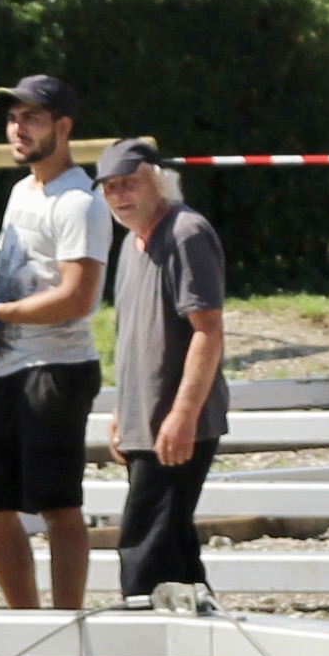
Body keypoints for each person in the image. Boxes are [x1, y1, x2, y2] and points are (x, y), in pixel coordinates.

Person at [0, 73, 115, 650]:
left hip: (56, 371)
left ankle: (66, 640)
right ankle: (29, 638)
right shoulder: (22, 192)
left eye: (32, 118)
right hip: (6, 368)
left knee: (58, 506)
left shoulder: (79, 201)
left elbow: (77, 297)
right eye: (13, 117)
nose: (18, 128)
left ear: (63, 127)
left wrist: (1, 312)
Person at [93, 139, 232, 614]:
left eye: (128, 183)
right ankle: (203, 643)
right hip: (144, 420)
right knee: (173, 544)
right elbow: (134, 337)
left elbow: (208, 330)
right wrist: (123, 411)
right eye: (110, 187)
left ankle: (147, 639)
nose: (119, 196)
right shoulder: (131, 243)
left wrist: (184, 414)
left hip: (177, 422)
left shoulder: (186, 233)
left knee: (144, 544)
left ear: (159, 182)